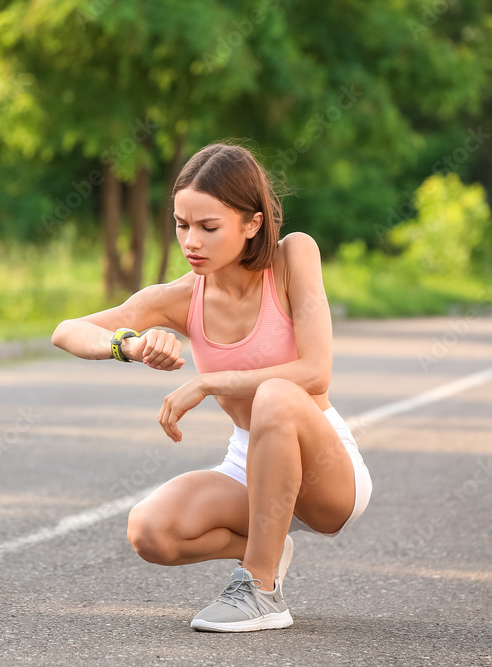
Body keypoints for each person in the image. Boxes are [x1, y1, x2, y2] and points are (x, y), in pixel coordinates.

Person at [50, 142, 373, 632]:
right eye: (181, 225)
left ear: (252, 223)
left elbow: (315, 372)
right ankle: (269, 546)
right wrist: (130, 345)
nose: (190, 241)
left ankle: (261, 590)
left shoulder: (293, 258)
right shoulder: (180, 296)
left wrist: (208, 382)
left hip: (323, 469)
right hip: (249, 464)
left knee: (277, 394)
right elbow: (67, 330)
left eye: (208, 227)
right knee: (150, 531)